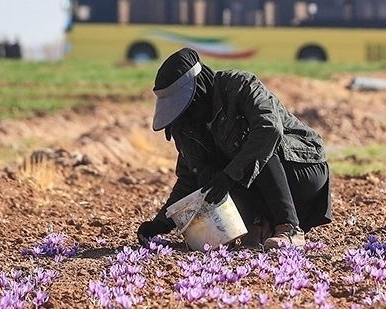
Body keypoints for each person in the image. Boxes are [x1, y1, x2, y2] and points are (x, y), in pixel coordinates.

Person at [135, 48, 331, 250]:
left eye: (188, 103)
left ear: (200, 88)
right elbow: (188, 179)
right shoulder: (189, 125)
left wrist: (230, 175)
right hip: (258, 185)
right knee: (207, 175)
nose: (188, 112)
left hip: (300, 170)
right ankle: (257, 226)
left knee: (259, 144)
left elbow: (269, 129)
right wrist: (162, 222)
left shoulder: (239, 85)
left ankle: (289, 227)